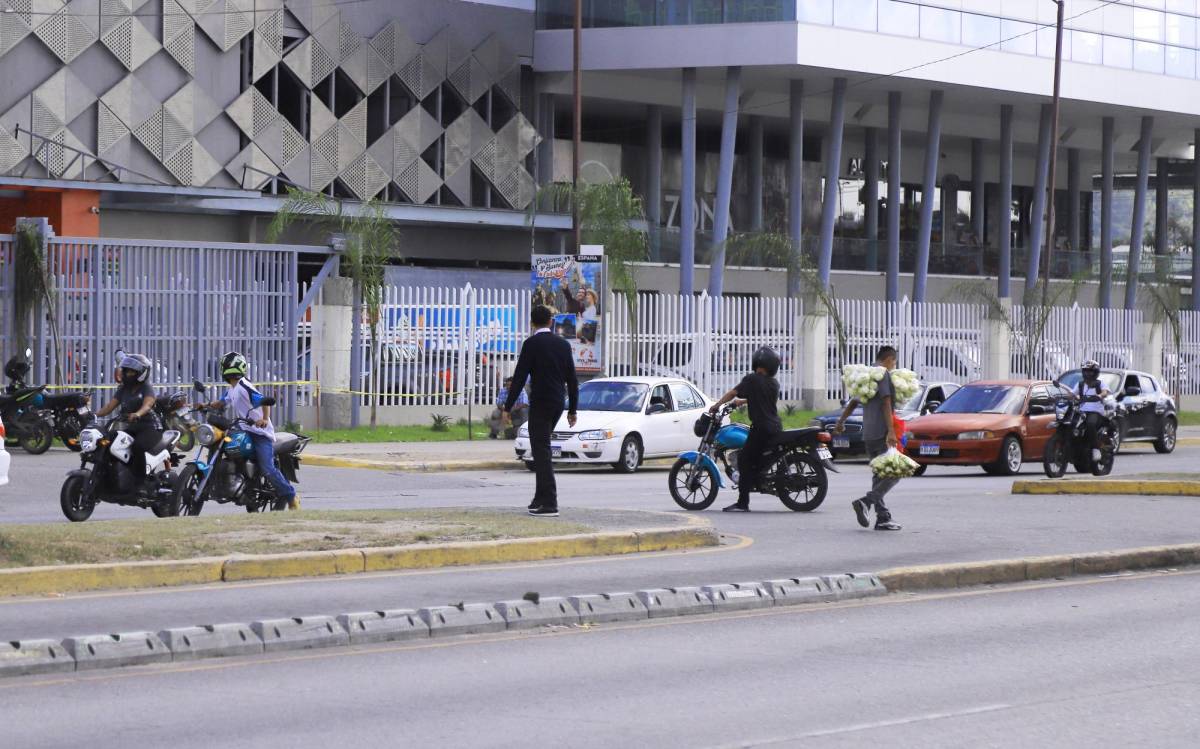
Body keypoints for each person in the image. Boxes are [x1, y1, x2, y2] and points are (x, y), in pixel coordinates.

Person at [504, 305, 578, 517]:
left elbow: (519, 377)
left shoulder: (531, 344)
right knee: (540, 449)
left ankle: (550, 502)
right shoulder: (563, 345)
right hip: (557, 403)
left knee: (541, 450)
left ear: (532, 323)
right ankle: (539, 497)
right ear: (551, 322)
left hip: (541, 402)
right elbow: (572, 379)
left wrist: (507, 407)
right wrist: (573, 409)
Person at [208, 351, 297, 509]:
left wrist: (263, 419)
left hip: (260, 434)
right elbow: (222, 402)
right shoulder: (232, 389)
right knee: (227, 447)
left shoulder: (243, 386)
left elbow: (263, 401)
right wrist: (204, 406)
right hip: (244, 430)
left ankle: (291, 496)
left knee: (267, 468)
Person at [835, 345, 903, 531]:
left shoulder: (865, 375)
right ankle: (866, 501)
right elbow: (886, 402)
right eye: (894, 362)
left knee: (878, 474)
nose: (894, 366)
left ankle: (882, 517)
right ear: (889, 359)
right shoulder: (883, 374)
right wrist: (891, 430)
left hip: (868, 434)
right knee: (895, 473)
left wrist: (840, 422)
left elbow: (853, 402)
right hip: (881, 433)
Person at [708, 346, 783, 513]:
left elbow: (733, 392)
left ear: (758, 361)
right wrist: (741, 402)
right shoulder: (774, 383)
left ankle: (743, 503)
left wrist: (717, 405)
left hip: (761, 428)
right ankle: (755, 480)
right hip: (775, 426)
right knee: (753, 458)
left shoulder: (752, 379)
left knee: (744, 460)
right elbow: (761, 398)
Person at [94, 354, 160, 481]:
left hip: (149, 428)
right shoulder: (124, 389)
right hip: (132, 428)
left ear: (140, 373)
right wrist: (94, 415)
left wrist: (138, 414)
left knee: (138, 447)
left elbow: (147, 405)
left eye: (131, 371)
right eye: (126, 370)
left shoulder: (146, 388)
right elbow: (109, 407)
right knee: (110, 442)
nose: (126, 374)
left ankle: (140, 481)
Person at [1060, 359, 1110, 463]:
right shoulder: (1080, 384)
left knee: (1090, 424)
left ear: (1095, 372)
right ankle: (1071, 450)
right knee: (1070, 425)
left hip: (1096, 413)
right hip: (1082, 412)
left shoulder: (1100, 384)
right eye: (1085, 371)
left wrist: (1100, 395)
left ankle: (1096, 449)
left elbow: (1105, 392)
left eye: (1090, 371)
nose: (1087, 373)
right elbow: (1072, 394)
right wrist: (1063, 396)